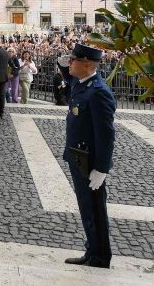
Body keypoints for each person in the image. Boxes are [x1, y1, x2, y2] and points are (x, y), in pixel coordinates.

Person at [57, 43, 116, 269]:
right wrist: (63, 65)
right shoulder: (83, 83)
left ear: (87, 64)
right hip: (78, 156)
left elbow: (106, 134)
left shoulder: (98, 92)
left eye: (73, 60)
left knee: (95, 209)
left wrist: (102, 168)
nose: (69, 63)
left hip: (90, 160)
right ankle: (93, 250)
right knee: (87, 207)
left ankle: (100, 256)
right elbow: (69, 77)